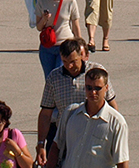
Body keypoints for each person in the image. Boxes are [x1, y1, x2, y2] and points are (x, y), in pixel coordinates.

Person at [36, 39, 118, 167]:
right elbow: (46, 114)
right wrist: (41, 144)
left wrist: (115, 131)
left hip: (94, 136)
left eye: (73, 61)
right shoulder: (54, 78)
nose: (69, 66)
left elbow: (112, 104)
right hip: (65, 137)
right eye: (65, 62)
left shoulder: (96, 72)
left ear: (82, 55)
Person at [53, 67, 130, 168]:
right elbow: (56, 146)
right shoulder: (70, 113)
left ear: (106, 88)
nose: (93, 92)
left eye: (98, 88)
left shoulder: (116, 122)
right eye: (89, 88)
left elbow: (122, 162)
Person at [36, 0, 83, 76]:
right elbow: (39, 27)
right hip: (47, 46)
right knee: (49, 78)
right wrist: (44, 19)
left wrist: (80, 45)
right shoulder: (42, 1)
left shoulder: (70, 2)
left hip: (65, 44)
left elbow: (75, 25)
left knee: (61, 76)